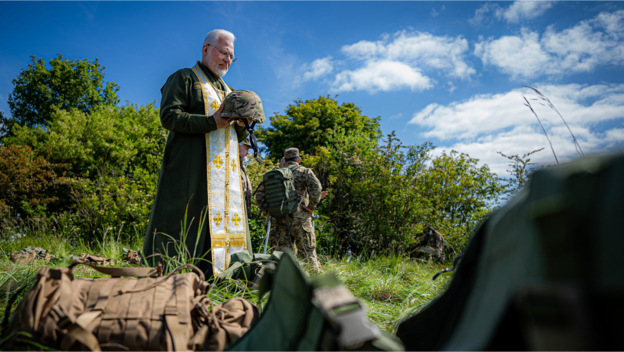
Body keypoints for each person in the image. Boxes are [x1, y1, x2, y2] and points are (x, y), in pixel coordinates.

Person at [143, 29, 257, 278]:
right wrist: (211, 122)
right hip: (190, 169)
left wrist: (242, 134)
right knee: (187, 219)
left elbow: (234, 131)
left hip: (226, 175)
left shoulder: (231, 92)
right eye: (224, 52)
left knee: (224, 221)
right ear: (206, 50)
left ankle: (228, 276)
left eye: (232, 57)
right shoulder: (184, 78)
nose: (227, 59)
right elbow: (169, 117)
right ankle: (172, 274)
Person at [255, 148, 323, 270]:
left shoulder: (275, 174)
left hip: (279, 220)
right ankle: (312, 284)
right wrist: (311, 208)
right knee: (308, 255)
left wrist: (268, 211)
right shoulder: (304, 171)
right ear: (299, 159)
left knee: (282, 258)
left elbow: (259, 196)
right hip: (300, 219)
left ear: (284, 160)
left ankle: (283, 285)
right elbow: (317, 189)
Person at [239, 138, 252, 218]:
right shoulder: (233, 165)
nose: (248, 153)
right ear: (238, 147)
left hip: (243, 214)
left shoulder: (241, 167)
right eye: (246, 149)